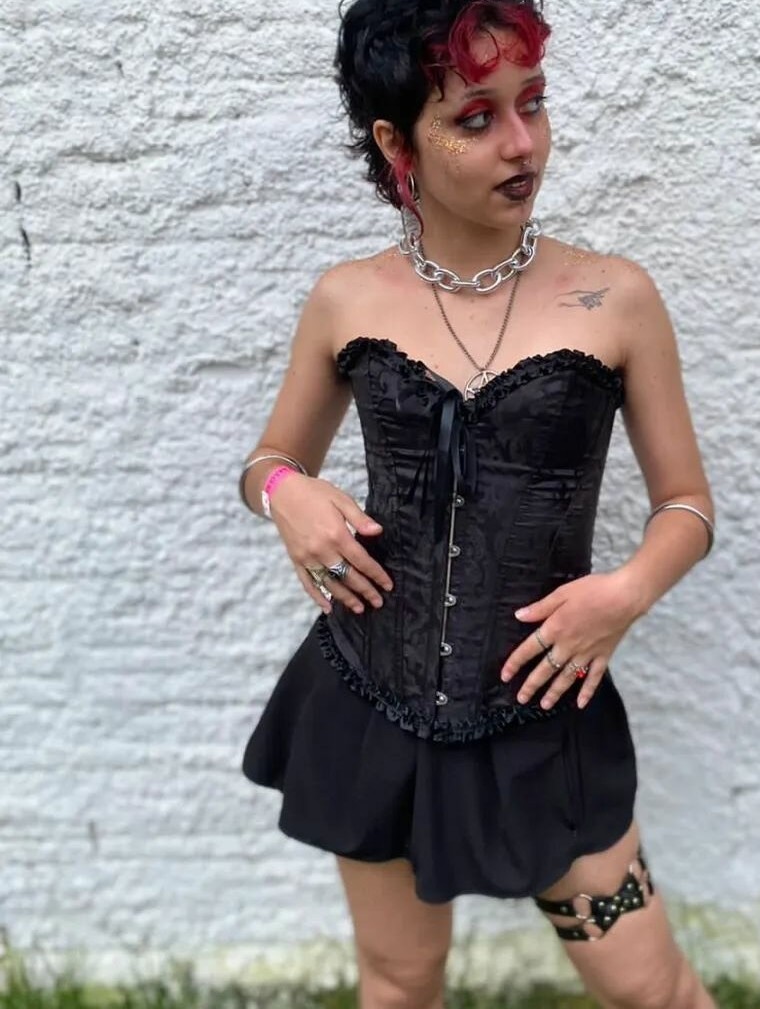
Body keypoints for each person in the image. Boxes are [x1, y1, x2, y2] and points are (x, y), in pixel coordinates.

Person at [237, 1, 718, 1006]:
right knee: (399, 978)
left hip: (546, 713)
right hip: (371, 700)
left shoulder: (615, 298)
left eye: (532, 103)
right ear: (396, 142)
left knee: (650, 987)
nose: (522, 142)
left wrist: (625, 593)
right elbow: (272, 459)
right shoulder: (346, 299)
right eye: (475, 117)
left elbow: (686, 503)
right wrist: (288, 492)